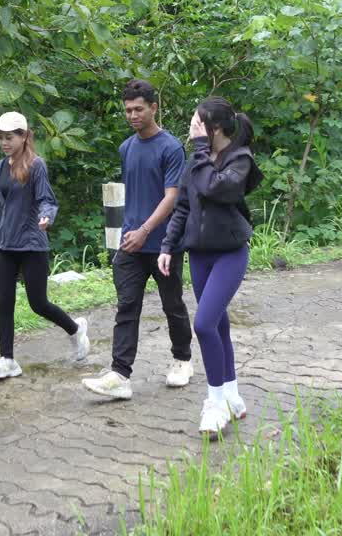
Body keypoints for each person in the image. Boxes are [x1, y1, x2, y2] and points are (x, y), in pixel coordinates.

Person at [158, 96, 263, 435]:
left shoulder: (240, 159)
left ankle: (215, 404)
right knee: (218, 326)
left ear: (214, 129)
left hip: (230, 253)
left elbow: (217, 188)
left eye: (197, 121)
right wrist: (167, 247)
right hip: (199, 255)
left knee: (203, 325)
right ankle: (232, 397)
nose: (191, 127)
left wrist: (201, 151)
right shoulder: (198, 160)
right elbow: (184, 207)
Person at [82, 79, 192, 400]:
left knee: (172, 304)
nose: (132, 115)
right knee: (127, 307)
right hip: (131, 244)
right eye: (128, 110)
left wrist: (145, 230)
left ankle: (183, 360)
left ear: (154, 108)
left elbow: (171, 196)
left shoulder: (171, 148)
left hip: (164, 244)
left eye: (138, 109)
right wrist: (132, 233)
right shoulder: (126, 148)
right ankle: (120, 375)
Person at [0, 111, 90, 380]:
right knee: (4, 303)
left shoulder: (36, 165)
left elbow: (47, 199)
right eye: (0, 137)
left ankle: (76, 330)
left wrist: (46, 216)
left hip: (32, 243)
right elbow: (5, 208)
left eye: (9, 137)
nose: (4, 142)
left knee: (38, 303)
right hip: (5, 244)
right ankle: (7, 360)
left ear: (23, 136)